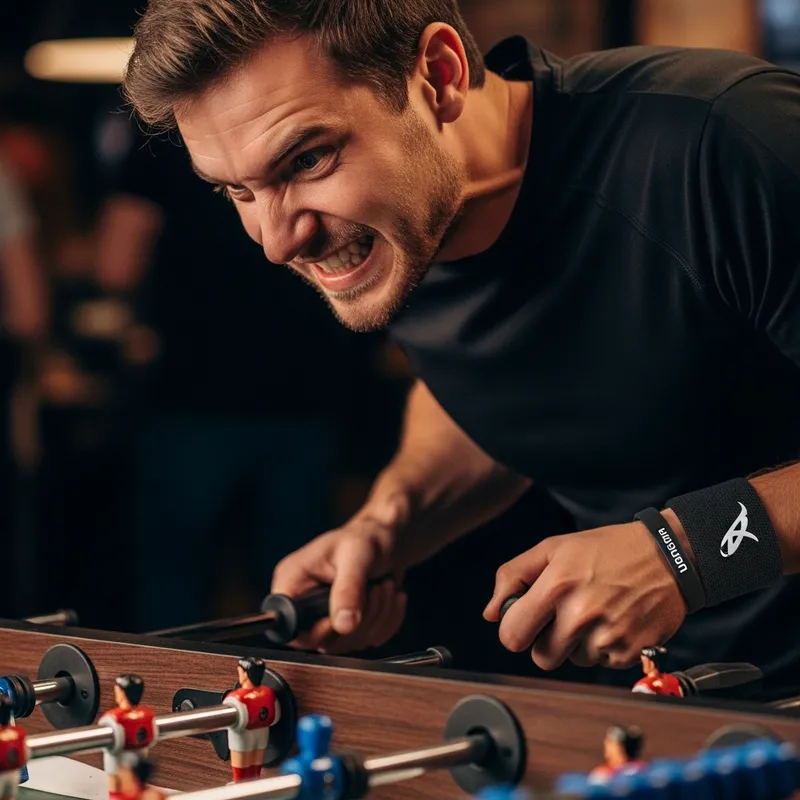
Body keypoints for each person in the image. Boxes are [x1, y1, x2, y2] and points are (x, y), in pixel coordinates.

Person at [121, 0, 800, 695]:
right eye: (237, 190)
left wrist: (682, 553)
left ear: (439, 77)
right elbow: (493, 379)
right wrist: (391, 526)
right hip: (679, 707)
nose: (275, 240)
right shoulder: (405, 221)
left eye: (308, 158)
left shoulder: (724, 142)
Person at [98, 675, 158, 800]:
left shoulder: (112, 718)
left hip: (117, 762)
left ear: (122, 693)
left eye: (117, 691)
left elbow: (107, 744)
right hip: (140, 756)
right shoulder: (147, 715)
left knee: (115, 782)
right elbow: (152, 738)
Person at [222, 657, 279, 782]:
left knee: (241, 766)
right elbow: (275, 717)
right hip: (263, 733)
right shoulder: (268, 693)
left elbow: (227, 721)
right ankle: (253, 784)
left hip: (242, 735)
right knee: (255, 765)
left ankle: (240, 785)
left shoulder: (236, 697)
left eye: (240, 672)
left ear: (245, 674)